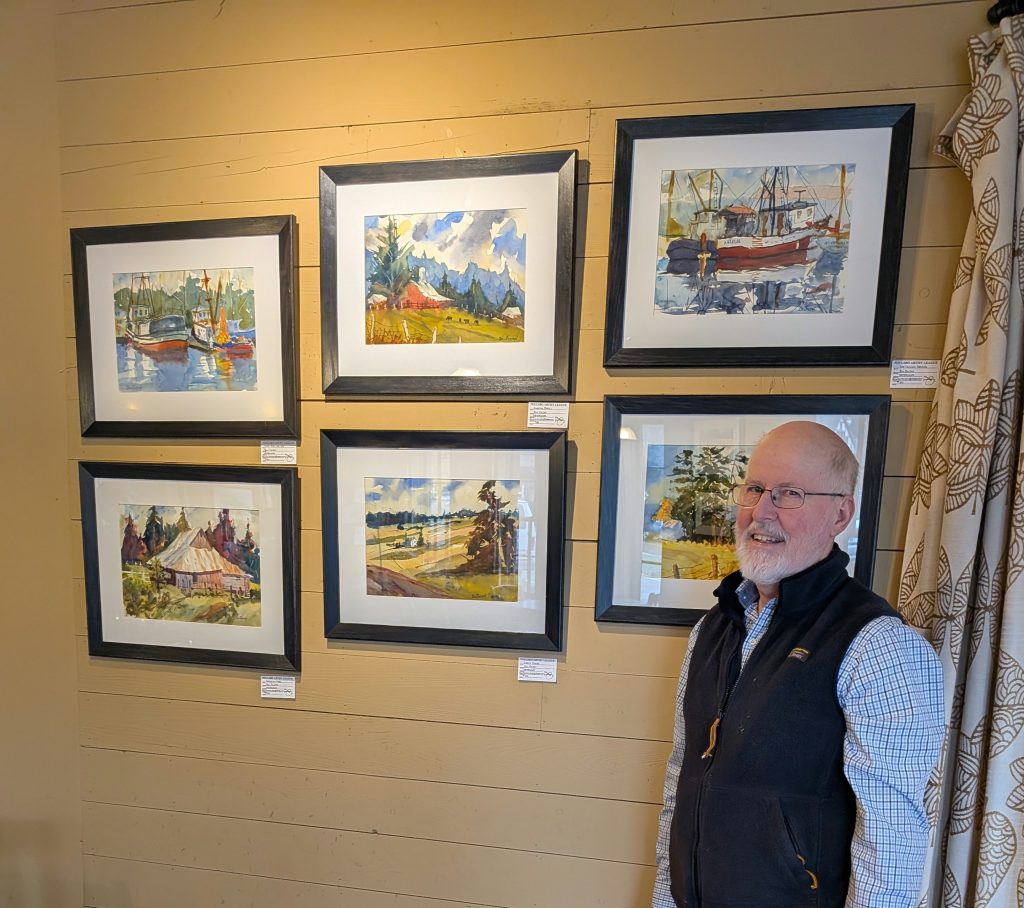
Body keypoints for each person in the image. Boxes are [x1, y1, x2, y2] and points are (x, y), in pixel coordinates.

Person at [651, 421, 944, 908]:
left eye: (789, 494)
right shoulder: (713, 627)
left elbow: (891, 837)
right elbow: (681, 779)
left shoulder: (879, 644)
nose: (761, 512)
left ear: (840, 514)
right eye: (754, 489)